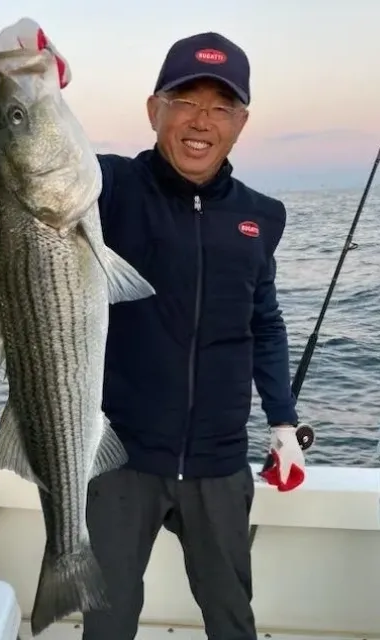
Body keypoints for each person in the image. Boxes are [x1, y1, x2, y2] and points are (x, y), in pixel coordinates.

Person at [82, 31, 306, 640]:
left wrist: (283, 424)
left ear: (242, 122)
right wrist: (15, 82)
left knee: (232, 618)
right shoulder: (110, 189)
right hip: (121, 458)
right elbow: (31, 166)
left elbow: (265, 322)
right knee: (107, 622)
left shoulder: (263, 215)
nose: (201, 120)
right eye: (185, 100)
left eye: (221, 105)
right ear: (154, 110)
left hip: (218, 460)